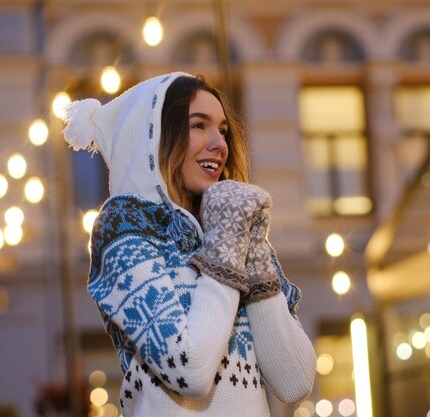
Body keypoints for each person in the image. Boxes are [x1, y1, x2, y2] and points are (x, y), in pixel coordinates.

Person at [62, 72, 316, 417]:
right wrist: (227, 244)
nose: (219, 144)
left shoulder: (229, 231)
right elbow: (189, 369)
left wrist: (251, 243)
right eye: (199, 125)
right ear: (155, 137)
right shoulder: (125, 227)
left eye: (223, 130)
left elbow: (294, 381)